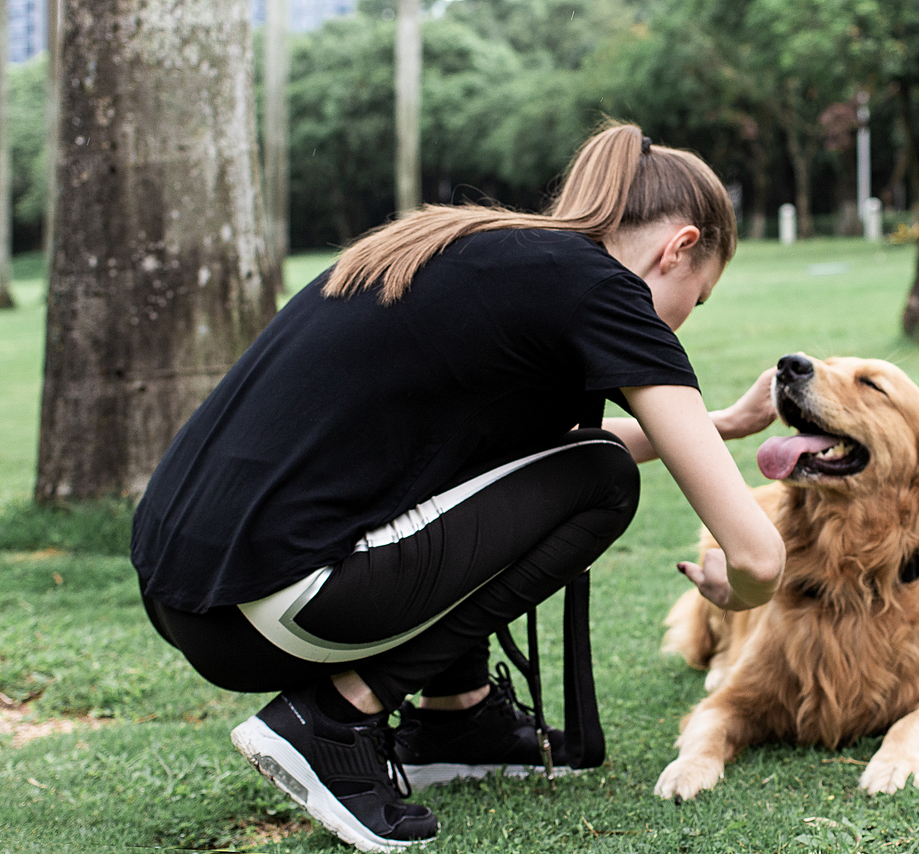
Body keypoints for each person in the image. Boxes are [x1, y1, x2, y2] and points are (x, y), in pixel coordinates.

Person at [131, 122, 786, 852]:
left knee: (573, 464)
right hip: (283, 605)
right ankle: (336, 719)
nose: (681, 324)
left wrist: (720, 424)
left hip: (194, 597)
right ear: (680, 248)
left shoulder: (478, 245)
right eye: (696, 302)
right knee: (602, 481)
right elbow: (756, 556)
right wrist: (744, 593)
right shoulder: (599, 288)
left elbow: (535, 462)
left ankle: (456, 718)